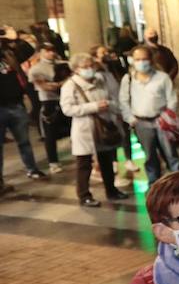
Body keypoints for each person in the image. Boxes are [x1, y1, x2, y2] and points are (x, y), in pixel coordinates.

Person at [61, 53, 128, 207]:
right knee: (84, 163)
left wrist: (109, 105)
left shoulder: (101, 80)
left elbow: (113, 98)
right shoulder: (70, 85)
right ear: (76, 69)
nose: (89, 69)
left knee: (107, 160)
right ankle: (84, 195)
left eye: (91, 65)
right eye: (85, 67)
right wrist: (94, 106)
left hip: (104, 125)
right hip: (85, 128)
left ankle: (111, 190)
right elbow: (67, 109)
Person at [120, 44, 179, 185]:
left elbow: (171, 98)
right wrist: (130, 118)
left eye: (144, 59)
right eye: (138, 59)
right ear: (132, 60)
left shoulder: (162, 77)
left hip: (161, 119)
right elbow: (123, 101)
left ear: (151, 60)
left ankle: (178, 182)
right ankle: (154, 183)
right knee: (149, 156)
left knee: (171, 153)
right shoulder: (128, 79)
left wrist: (167, 116)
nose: (141, 62)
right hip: (141, 122)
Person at [0, 37, 45, 191]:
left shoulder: (9, 55)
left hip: (16, 105)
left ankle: (32, 169)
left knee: (24, 141)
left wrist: (16, 38)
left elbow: (29, 51)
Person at [26, 42, 67, 174]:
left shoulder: (62, 64)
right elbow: (46, 87)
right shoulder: (36, 69)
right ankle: (53, 162)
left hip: (65, 99)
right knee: (50, 134)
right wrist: (64, 83)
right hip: (49, 102)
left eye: (53, 50)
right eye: (47, 50)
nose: (51, 53)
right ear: (41, 52)